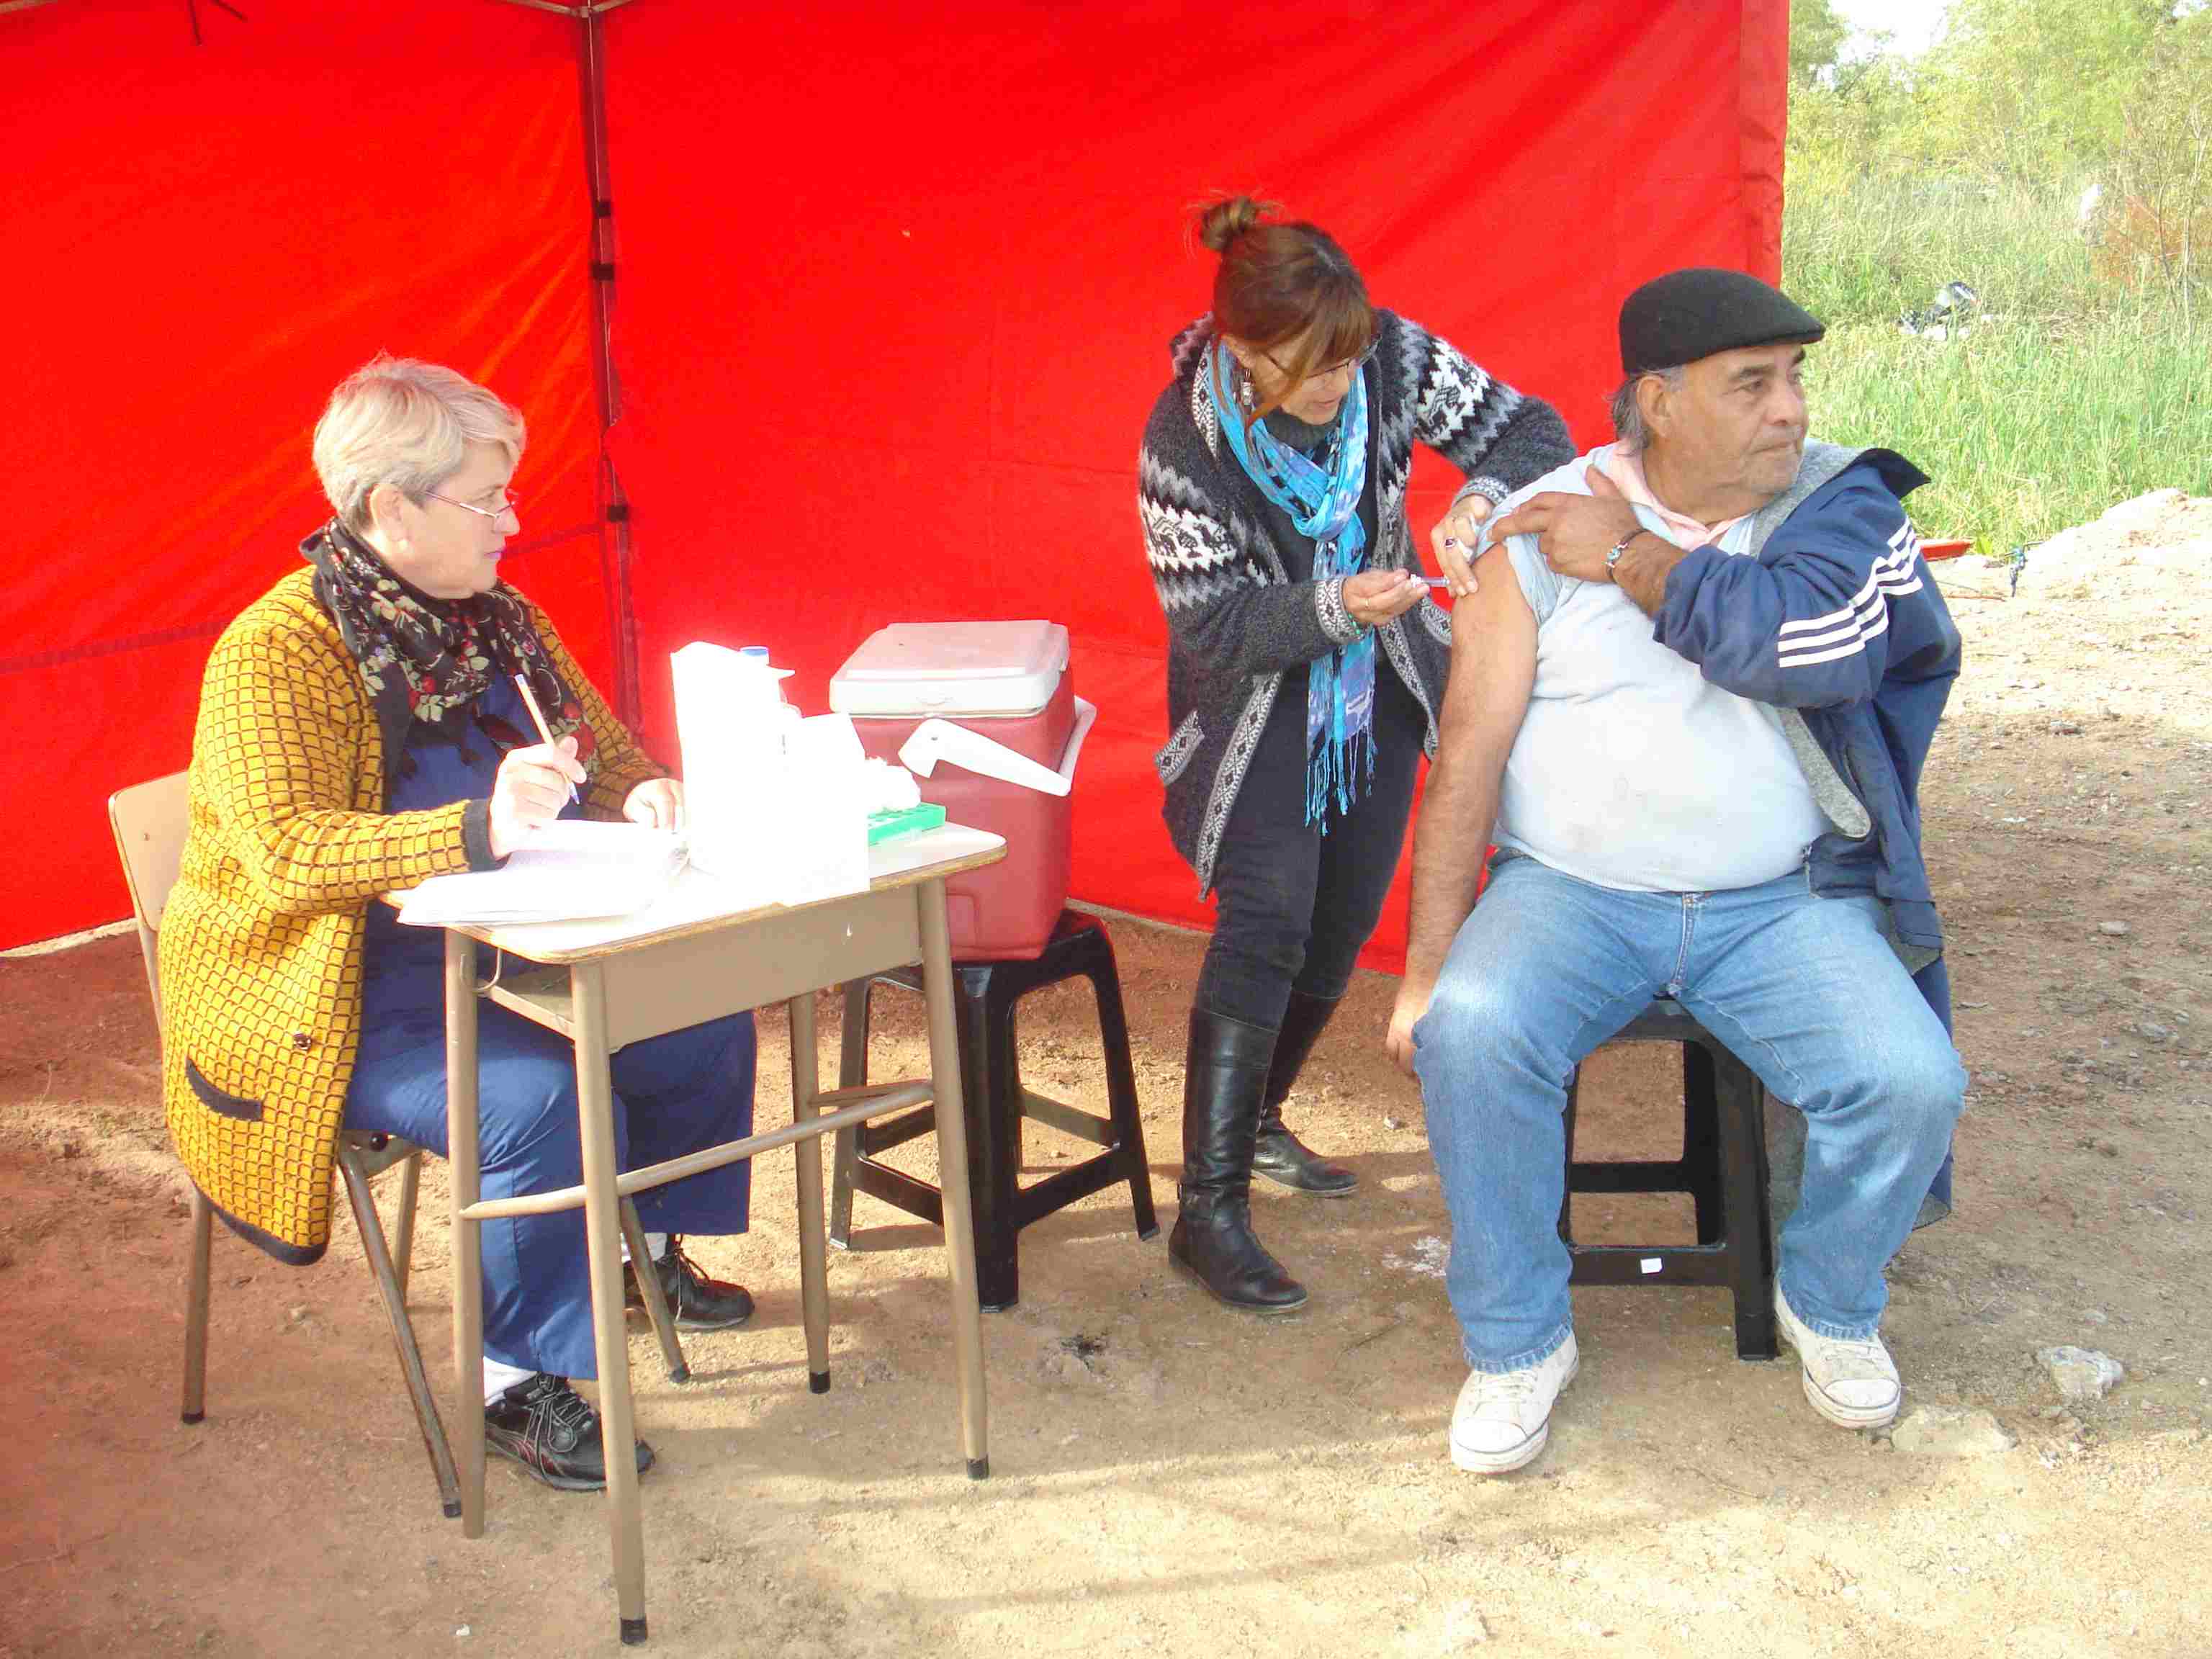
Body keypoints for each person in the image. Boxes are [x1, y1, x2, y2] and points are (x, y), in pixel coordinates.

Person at [1389, 267, 1967, 1472]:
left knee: (1910, 1079)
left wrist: (1640, 559)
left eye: (1796, 377)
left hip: (1782, 903)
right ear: (1656, 401)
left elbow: (1801, 649)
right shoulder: (1541, 525)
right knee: (1474, 1033)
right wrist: (1426, 966)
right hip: (1569, 896)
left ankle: (1828, 1295)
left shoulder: (1845, 506)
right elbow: (1472, 754)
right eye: (1752, 383)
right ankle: (1516, 1342)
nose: (1792, 409)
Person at [158, 355, 757, 1493]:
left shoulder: (500, 618)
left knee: (698, 1020)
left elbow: (600, 741)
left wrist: (638, 789)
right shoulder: (277, 652)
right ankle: (513, 1384)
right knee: (535, 1100)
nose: (510, 521)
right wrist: (469, 828)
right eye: (485, 499)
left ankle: (644, 1249)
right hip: (323, 988)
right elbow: (286, 854)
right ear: (391, 508)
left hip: (492, 943)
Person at [1137, 196, 1575, 1314]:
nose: (1337, 384)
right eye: (1306, 365)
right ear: (1241, 348)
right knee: (1270, 917)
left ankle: (1265, 1117)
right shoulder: (1181, 442)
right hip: (1252, 714)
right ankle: (1209, 1211)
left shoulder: (1390, 355)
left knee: (1340, 924)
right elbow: (1214, 627)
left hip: (1373, 692)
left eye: (1347, 356)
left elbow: (1533, 431)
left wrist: (1478, 495)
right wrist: (1335, 604)